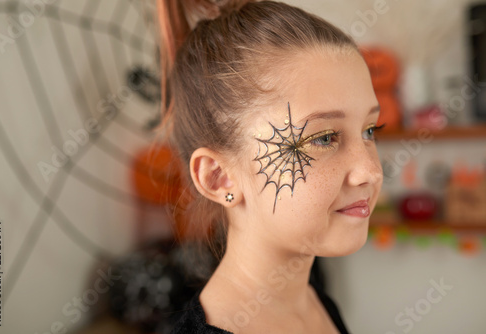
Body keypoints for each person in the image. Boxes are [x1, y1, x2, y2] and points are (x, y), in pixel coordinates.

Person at [155, 0, 385, 333]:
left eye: (369, 130)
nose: (371, 171)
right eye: (323, 138)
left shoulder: (315, 302)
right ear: (219, 178)